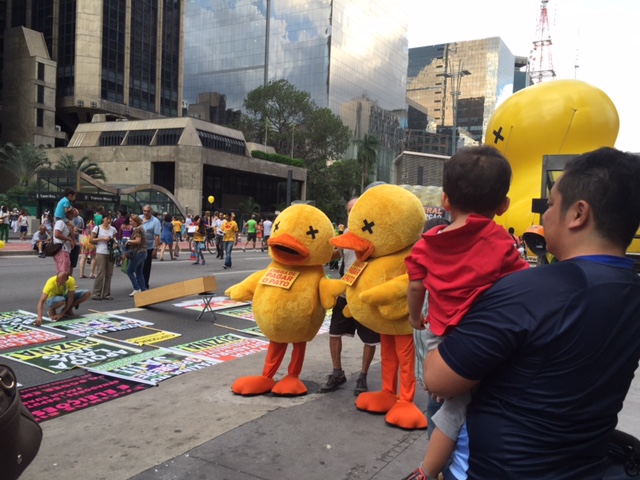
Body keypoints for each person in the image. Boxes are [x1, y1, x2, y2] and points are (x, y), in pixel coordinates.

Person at [423, 147, 640, 479]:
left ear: (578, 214)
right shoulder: (630, 291)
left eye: (551, 204)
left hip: (494, 468)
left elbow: (438, 378)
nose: (545, 215)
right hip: (581, 466)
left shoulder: (533, 292)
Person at [403, 146, 529, 480]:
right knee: (457, 406)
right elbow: (522, 284)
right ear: (503, 206)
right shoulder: (501, 241)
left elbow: (415, 287)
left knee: (441, 401)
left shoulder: (427, 243)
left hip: (439, 337)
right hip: (480, 338)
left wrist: (415, 317)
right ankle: (431, 470)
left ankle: (433, 467)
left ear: (445, 200)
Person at [320, 198, 380, 395]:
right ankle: (337, 372)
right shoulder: (345, 233)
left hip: (364, 295)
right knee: (334, 333)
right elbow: (340, 255)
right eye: (349, 210)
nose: (351, 213)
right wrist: (320, 254)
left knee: (370, 339)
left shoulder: (374, 232)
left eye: (355, 209)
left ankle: (362, 376)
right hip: (345, 291)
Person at [90, 213, 117, 300]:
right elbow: (91, 239)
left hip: (110, 253)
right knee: (100, 273)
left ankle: (106, 294)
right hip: (101, 252)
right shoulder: (97, 228)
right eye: (107, 219)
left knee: (109, 274)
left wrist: (115, 244)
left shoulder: (113, 229)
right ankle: (96, 293)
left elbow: (115, 239)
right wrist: (102, 239)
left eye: (110, 219)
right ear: (103, 219)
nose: (109, 220)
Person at [124, 214, 148, 296]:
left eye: (131, 221)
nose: (130, 223)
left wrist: (129, 241)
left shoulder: (137, 229)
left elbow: (138, 241)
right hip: (143, 252)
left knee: (129, 271)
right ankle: (143, 288)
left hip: (138, 252)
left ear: (135, 221)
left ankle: (136, 288)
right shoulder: (141, 228)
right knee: (139, 272)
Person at [53, 208, 78, 275]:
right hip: (62, 249)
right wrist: (68, 239)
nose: (73, 217)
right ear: (68, 214)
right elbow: (57, 234)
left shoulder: (67, 224)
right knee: (63, 270)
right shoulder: (60, 222)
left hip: (66, 249)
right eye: (73, 215)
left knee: (66, 268)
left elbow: (71, 234)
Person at [141, 205, 161, 289]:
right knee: (137, 266)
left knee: (146, 266)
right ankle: (138, 282)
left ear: (151, 212)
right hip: (138, 247)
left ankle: (145, 284)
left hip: (148, 247)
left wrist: (155, 249)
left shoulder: (155, 221)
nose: (146, 213)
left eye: (148, 211)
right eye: (145, 211)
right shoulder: (140, 218)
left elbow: (157, 236)